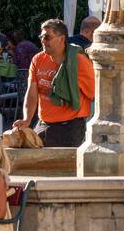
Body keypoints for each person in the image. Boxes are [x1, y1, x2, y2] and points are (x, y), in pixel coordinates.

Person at [14, 18, 95, 148]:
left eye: (47, 37)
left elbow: (94, 93)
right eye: (41, 37)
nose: (42, 41)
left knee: (64, 167)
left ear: (62, 39)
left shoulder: (79, 61)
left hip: (70, 127)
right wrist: (27, 119)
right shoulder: (38, 59)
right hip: (43, 123)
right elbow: (31, 93)